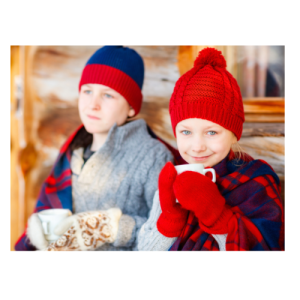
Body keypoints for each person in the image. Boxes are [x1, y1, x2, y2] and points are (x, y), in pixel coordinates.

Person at [15, 45, 174, 252]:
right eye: (87, 91)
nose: (93, 104)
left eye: (108, 95)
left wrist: (110, 227)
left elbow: (165, 233)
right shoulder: (74, 151)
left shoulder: (153, 156)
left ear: (132, 107)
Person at [138, 48, 285, 252]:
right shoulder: (173, 181)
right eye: (186, 132)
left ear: (234, 134)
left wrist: (217, 216)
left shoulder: (255, 183)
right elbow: (145, 249)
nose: (197, 146)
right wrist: (170, 218)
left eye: (212, 133)